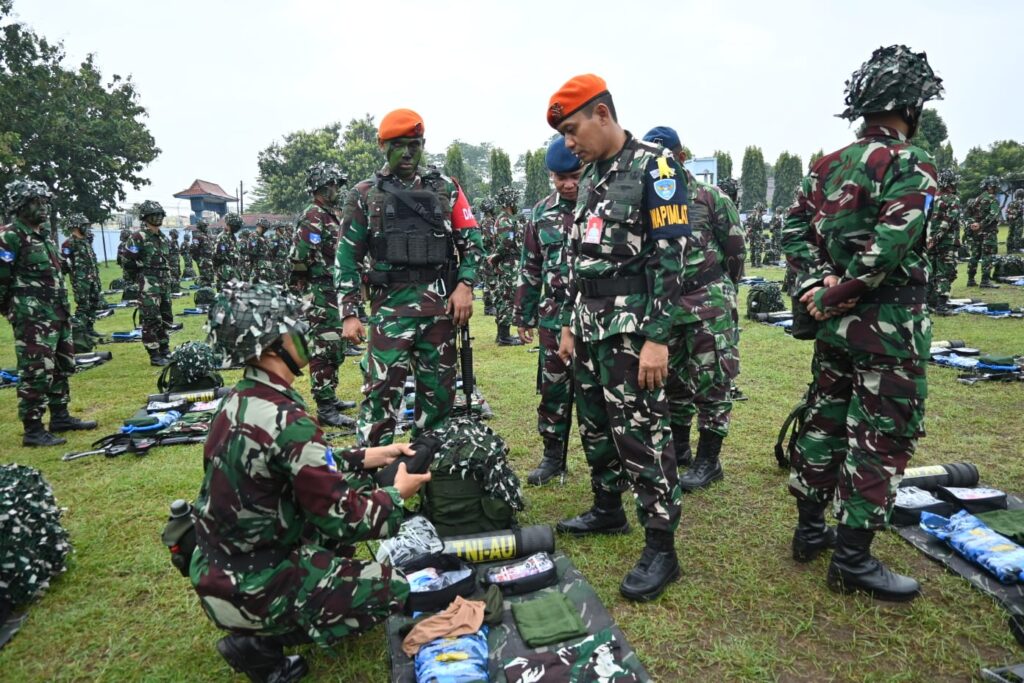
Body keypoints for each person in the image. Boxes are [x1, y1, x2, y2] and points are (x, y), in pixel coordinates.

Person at [191, 281, 428, 683]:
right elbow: (348, 518)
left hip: (221, 567)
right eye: (293, 327)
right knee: (394, 590)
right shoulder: (287, 421)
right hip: (254, 587)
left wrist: (371, 456)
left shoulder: (240, 400)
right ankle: (259, 642)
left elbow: (303, 470)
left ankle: (273, 611)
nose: (305, 334)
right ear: (271, 345)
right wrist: (397, 495)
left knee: (349, 506)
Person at [782, 44, 941, 602]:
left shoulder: (828, 165)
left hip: (835, 327)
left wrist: (814, 291)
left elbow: (793, 232)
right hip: (888, 326)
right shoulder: (910, 165)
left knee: (825, 418)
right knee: (880, 434)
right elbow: (891, 245)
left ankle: (809, 530)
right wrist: (843, 291)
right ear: (911, 107)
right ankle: (851, 559)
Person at [548, 74, 690, 602]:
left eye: (572, 128)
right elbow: (577, 255)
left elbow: (672, 259)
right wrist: (567, 322)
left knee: (643, 432)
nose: (568, 142)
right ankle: (608, 508)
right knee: (596, 424)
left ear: (602, 114)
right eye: (564, 133)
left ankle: (661, 545)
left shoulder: (656, 165)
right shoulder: (589, 176)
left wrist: (658, 338)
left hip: (632, 330)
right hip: (588, 325)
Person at [337, 108, 482, 446]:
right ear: (381, 145)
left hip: (440, 313)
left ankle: (428, 476)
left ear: (423, 144)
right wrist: (349, 313)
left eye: (414, 145)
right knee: (380, 398)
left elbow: (473, 242)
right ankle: (373, 483)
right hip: (390, 313)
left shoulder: (446, 188)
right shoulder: (363, 194)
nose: (407, 153)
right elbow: (347, 257)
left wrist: (466, 285)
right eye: (398, 145)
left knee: (439, 400)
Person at [643, 126, 745, 492]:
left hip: (707, 303)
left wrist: (721, 292)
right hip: (668, 307)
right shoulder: (648, 200)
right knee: (672, 381)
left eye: (666, 156)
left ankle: (709, 461)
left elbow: (734, 249)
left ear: (681, 156)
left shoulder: (709, 196)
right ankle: (681, 449)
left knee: (712, 379)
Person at [0, 179, 97, 446]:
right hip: (32, 318)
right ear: (20, 205)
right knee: (35, 370)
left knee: (61, 366)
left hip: (57, 314)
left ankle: (60, 415)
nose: (43, 208)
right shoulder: (10, 236)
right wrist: (13, 311)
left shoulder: (43, 237)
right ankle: (33, 428)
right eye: (36, 202)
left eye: (45, 202)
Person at [514, 137, 583, 485]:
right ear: (552, 178)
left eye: (575, 175)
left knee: (597, 393)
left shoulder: (602, 205)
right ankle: (553, 458)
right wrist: (523, 314)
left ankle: (612, 464)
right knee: (553, 388)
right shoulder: (541, 213)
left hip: (595, 315)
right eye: (561, 178)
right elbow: (531, 267)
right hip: (553, 316)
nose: (569, 184)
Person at [289, 162, 357, 429]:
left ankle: (331, 395)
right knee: (324, 347)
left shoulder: (330, 214)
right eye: (333, 185)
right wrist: (308, 284)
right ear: (320, 187)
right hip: (321, 291)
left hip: (333, 290)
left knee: (335, 346)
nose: (337, 190)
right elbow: (300, 256)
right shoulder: (313, 215)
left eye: (338, 185)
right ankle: (325, 408)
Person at [122, 201, 173, 366]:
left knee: (165, 316)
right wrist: (139, 278)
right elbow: (127, 261)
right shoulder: (138, 237)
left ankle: (165, 348)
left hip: (164, 282)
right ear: (145, 217)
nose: (158, 218)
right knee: (151, 317)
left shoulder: (162, 237)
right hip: (148, 282)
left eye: (160, 215)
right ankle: (154, 354)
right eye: (154, 215)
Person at [490, 186, 525, 346]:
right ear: (511, 202)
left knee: (504, 297)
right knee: (508, 298)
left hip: (508, 263)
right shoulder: (505, 220)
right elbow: (506, 243)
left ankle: (502, 334)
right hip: (508, 264)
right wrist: (496, 256)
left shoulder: (506, 219)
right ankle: (504, 336)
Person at [60, 213, 104, 338]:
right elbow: (63, 263)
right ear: (76, 227)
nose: (87, 228)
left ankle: (89, 328)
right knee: (83, 305)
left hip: (93, 279)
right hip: (81, 281)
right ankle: (80, 331)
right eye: (84, 225)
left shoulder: (86, 242)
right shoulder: (69, 244)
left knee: (95, 303)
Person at [927, 169, 962, 313]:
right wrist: (936, 238)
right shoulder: (953, 199)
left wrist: (929, 239)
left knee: (931, 271)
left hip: (928, 241)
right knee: (946, 273)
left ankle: (929, 302)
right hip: (946, 242)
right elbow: (949, 220)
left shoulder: (929, 198)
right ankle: (941, 305)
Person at [967, 176, 1001, 288]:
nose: (996, 189)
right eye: (995, 187)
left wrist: (974, 225)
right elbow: (993, 215)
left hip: (976, 232)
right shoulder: (992, 199)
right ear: (991, 187)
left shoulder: (977, 199)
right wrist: (981, 224)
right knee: (987, 255)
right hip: (988, 232)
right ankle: (985, 281)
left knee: (975, 255)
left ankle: (971, 280)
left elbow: (970, 214)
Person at [478, 199, 498, 316]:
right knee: (490, 282)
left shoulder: (484, 221)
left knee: (489, 282)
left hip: (487, 255)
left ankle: (489, 306)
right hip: (488, 255)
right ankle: (489, 307)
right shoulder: (488, 222)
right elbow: (490, 239)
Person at [214, 213, 242, 289]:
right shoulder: (223, 237)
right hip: (225, 270)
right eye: (236, 225)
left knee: (235, 293)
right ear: (231, 224)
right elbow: (219, 256)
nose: (237, 228)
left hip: (233, 268)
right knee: (225, 293)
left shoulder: (232, 237)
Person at [191, 219, 214, 287]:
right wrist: (199, 259)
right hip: (203, 260)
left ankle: (209, 292)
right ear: (201, 227)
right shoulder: (198, 236)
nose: (207, 228)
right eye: (205, 226)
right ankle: (204, 291)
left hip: (209, 260)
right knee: (205, 278)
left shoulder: (206, 236)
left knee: (210, 277)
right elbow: (193, 249)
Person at [745, 203, 764, 267]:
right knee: (757, 248)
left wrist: (747, 233)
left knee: (752, 248)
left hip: (752, 234)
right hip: (757, 234)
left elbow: (746, 224)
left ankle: (753, 263)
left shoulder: (750, 215)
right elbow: (756, 224)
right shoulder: (757, 216)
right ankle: (758, 264)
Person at [1006, 189, 1024, 253]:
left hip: (1011, 221)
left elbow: (1007, 212)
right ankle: (1017, 248)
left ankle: (1009, 248)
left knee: (1010, 233)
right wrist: (1015, 216)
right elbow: (1020, 211)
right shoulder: (1021, 203)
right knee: (1018, 234)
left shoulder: (1011, 203)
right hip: (1018, 220)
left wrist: (1009, 217)